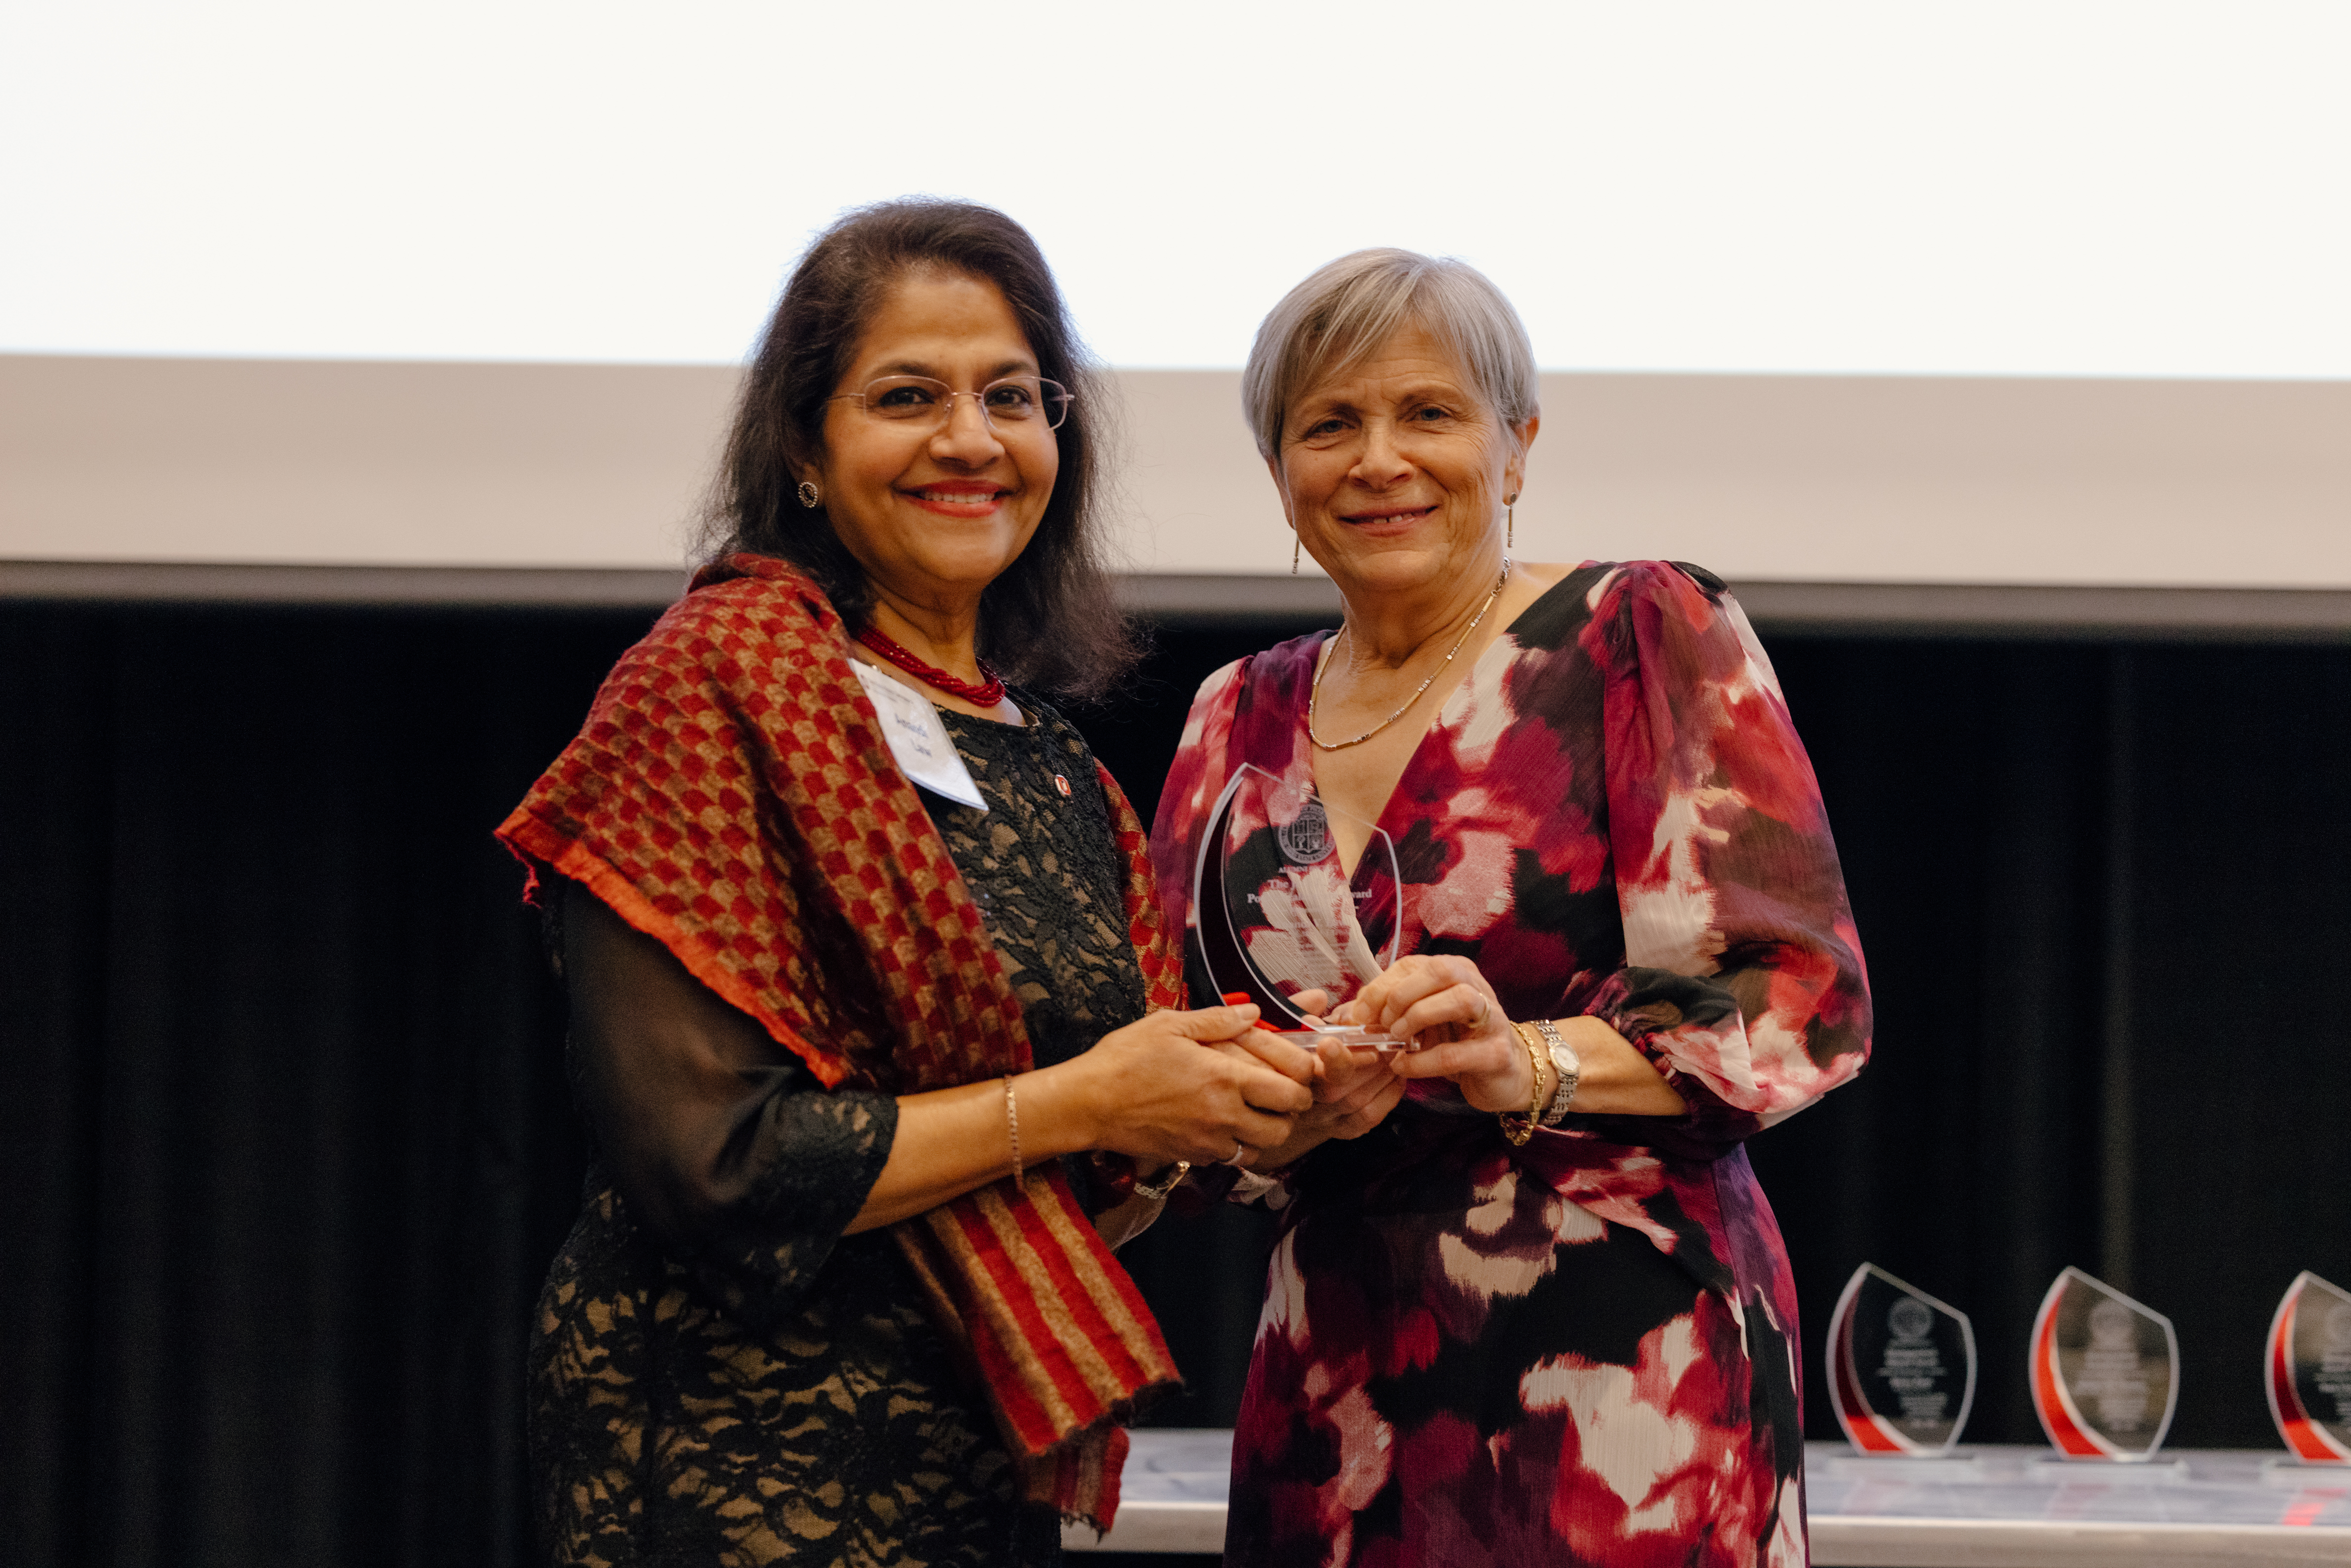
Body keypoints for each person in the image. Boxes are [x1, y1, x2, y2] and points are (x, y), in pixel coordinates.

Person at [498, 199, 1316, 1568]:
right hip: (740, 1457)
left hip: (975, 1444)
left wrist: (1253, 1106)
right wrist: (1090, 1098)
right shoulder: (710, 690)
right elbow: (718, 1161)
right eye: (906, 396)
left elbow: (1085, 1174)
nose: (970, 439)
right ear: (805, 447)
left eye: (1011, 394)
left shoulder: (1049, 763)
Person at [1151, 249, 1873, 1567]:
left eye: (1428, 413)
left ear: (1518, 446)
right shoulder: (1229, 716)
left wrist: (1522, 1057)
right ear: (1280, 476)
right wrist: (1263, 1112)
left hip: (1622, 1356)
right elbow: (1174, 1058)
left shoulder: (1639, 628)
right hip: (1337, 1366)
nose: (1379, 458)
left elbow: (1796, 998)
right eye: (1330, 423)